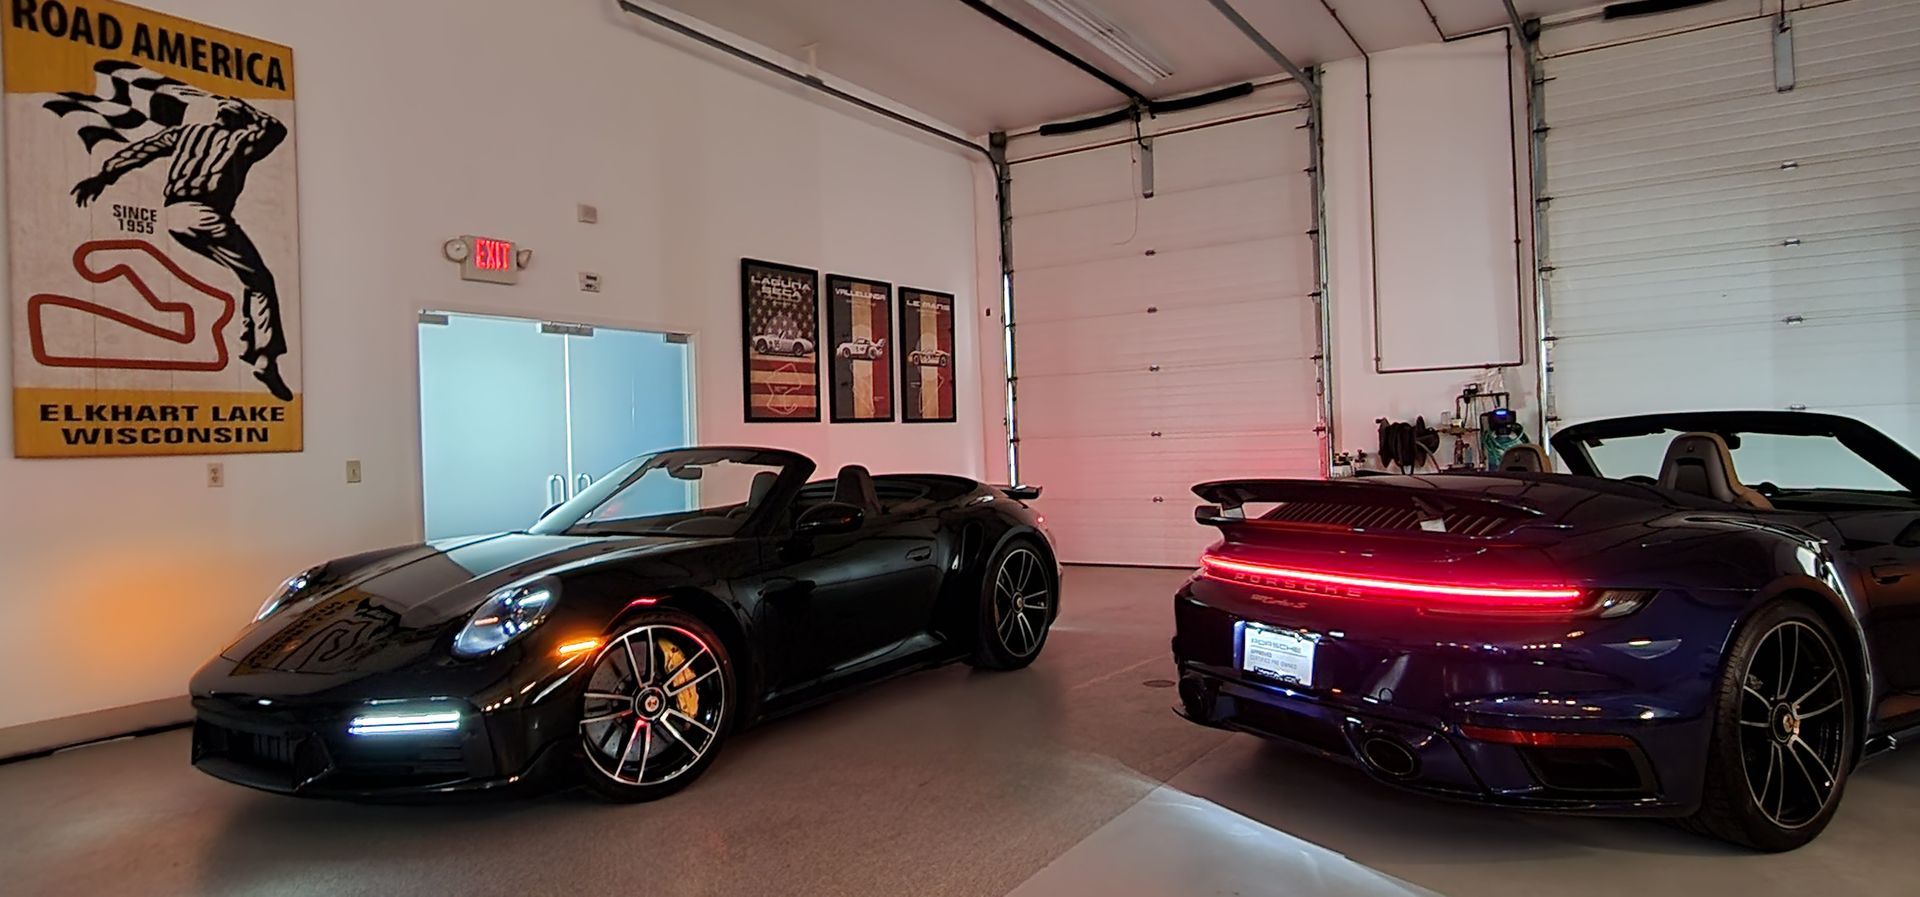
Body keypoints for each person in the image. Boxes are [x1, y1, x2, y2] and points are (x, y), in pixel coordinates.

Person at [70, 97, 293, 401]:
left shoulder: (186, 133)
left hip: (174, 217)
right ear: (241, 120)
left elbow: (142, 151)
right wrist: (249, 109)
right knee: (261, 281)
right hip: (208, 214)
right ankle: (265, 358)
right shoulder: (241, 140)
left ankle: (248, 345)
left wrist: (104, 175)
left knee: (249, 277)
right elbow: (276, 129)